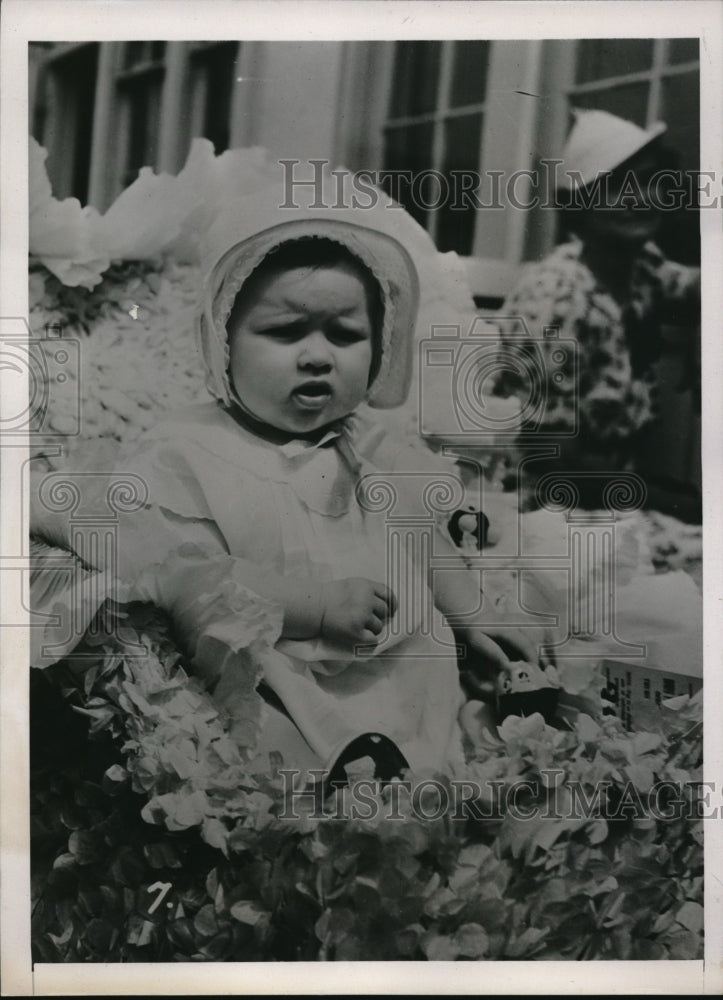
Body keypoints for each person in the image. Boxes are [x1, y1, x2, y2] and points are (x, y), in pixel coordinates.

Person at [32, 167, 544, 781]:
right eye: (284, 332)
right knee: (271, 727)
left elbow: (422, 540)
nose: (317, 355)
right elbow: (190, 578)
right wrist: (315, 607)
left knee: (443, 694)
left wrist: (473, 611)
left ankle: (452, 757)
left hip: (398, 654)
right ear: (222, 342)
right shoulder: (189, 452)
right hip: (282, 661)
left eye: (346, 335)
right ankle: (337, 787)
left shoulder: (372, 446)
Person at [495, 109, 700, 484]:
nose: (640, 198)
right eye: (617, 184)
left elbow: (698, 287)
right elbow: (551, 456)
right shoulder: (556, 298)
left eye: (649, 180)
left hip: (611, 498)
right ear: (579, 204)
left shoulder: (641, 268)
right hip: (535, 502)